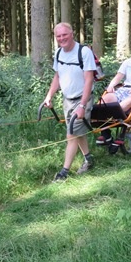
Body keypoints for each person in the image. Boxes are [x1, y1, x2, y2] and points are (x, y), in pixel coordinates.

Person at [43, 23, 97, 181]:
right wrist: (49, 96)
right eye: (58, 36)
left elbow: (88, 80)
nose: (61, 38)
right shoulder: (59, 53)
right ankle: (89, 159)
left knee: (71, 134)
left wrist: (82, 105)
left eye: (64, 35)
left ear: (72, 34)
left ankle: (64, 173)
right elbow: (57, 76)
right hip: (67, 99)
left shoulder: (84, 52)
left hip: (82, 99)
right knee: (77, 132)